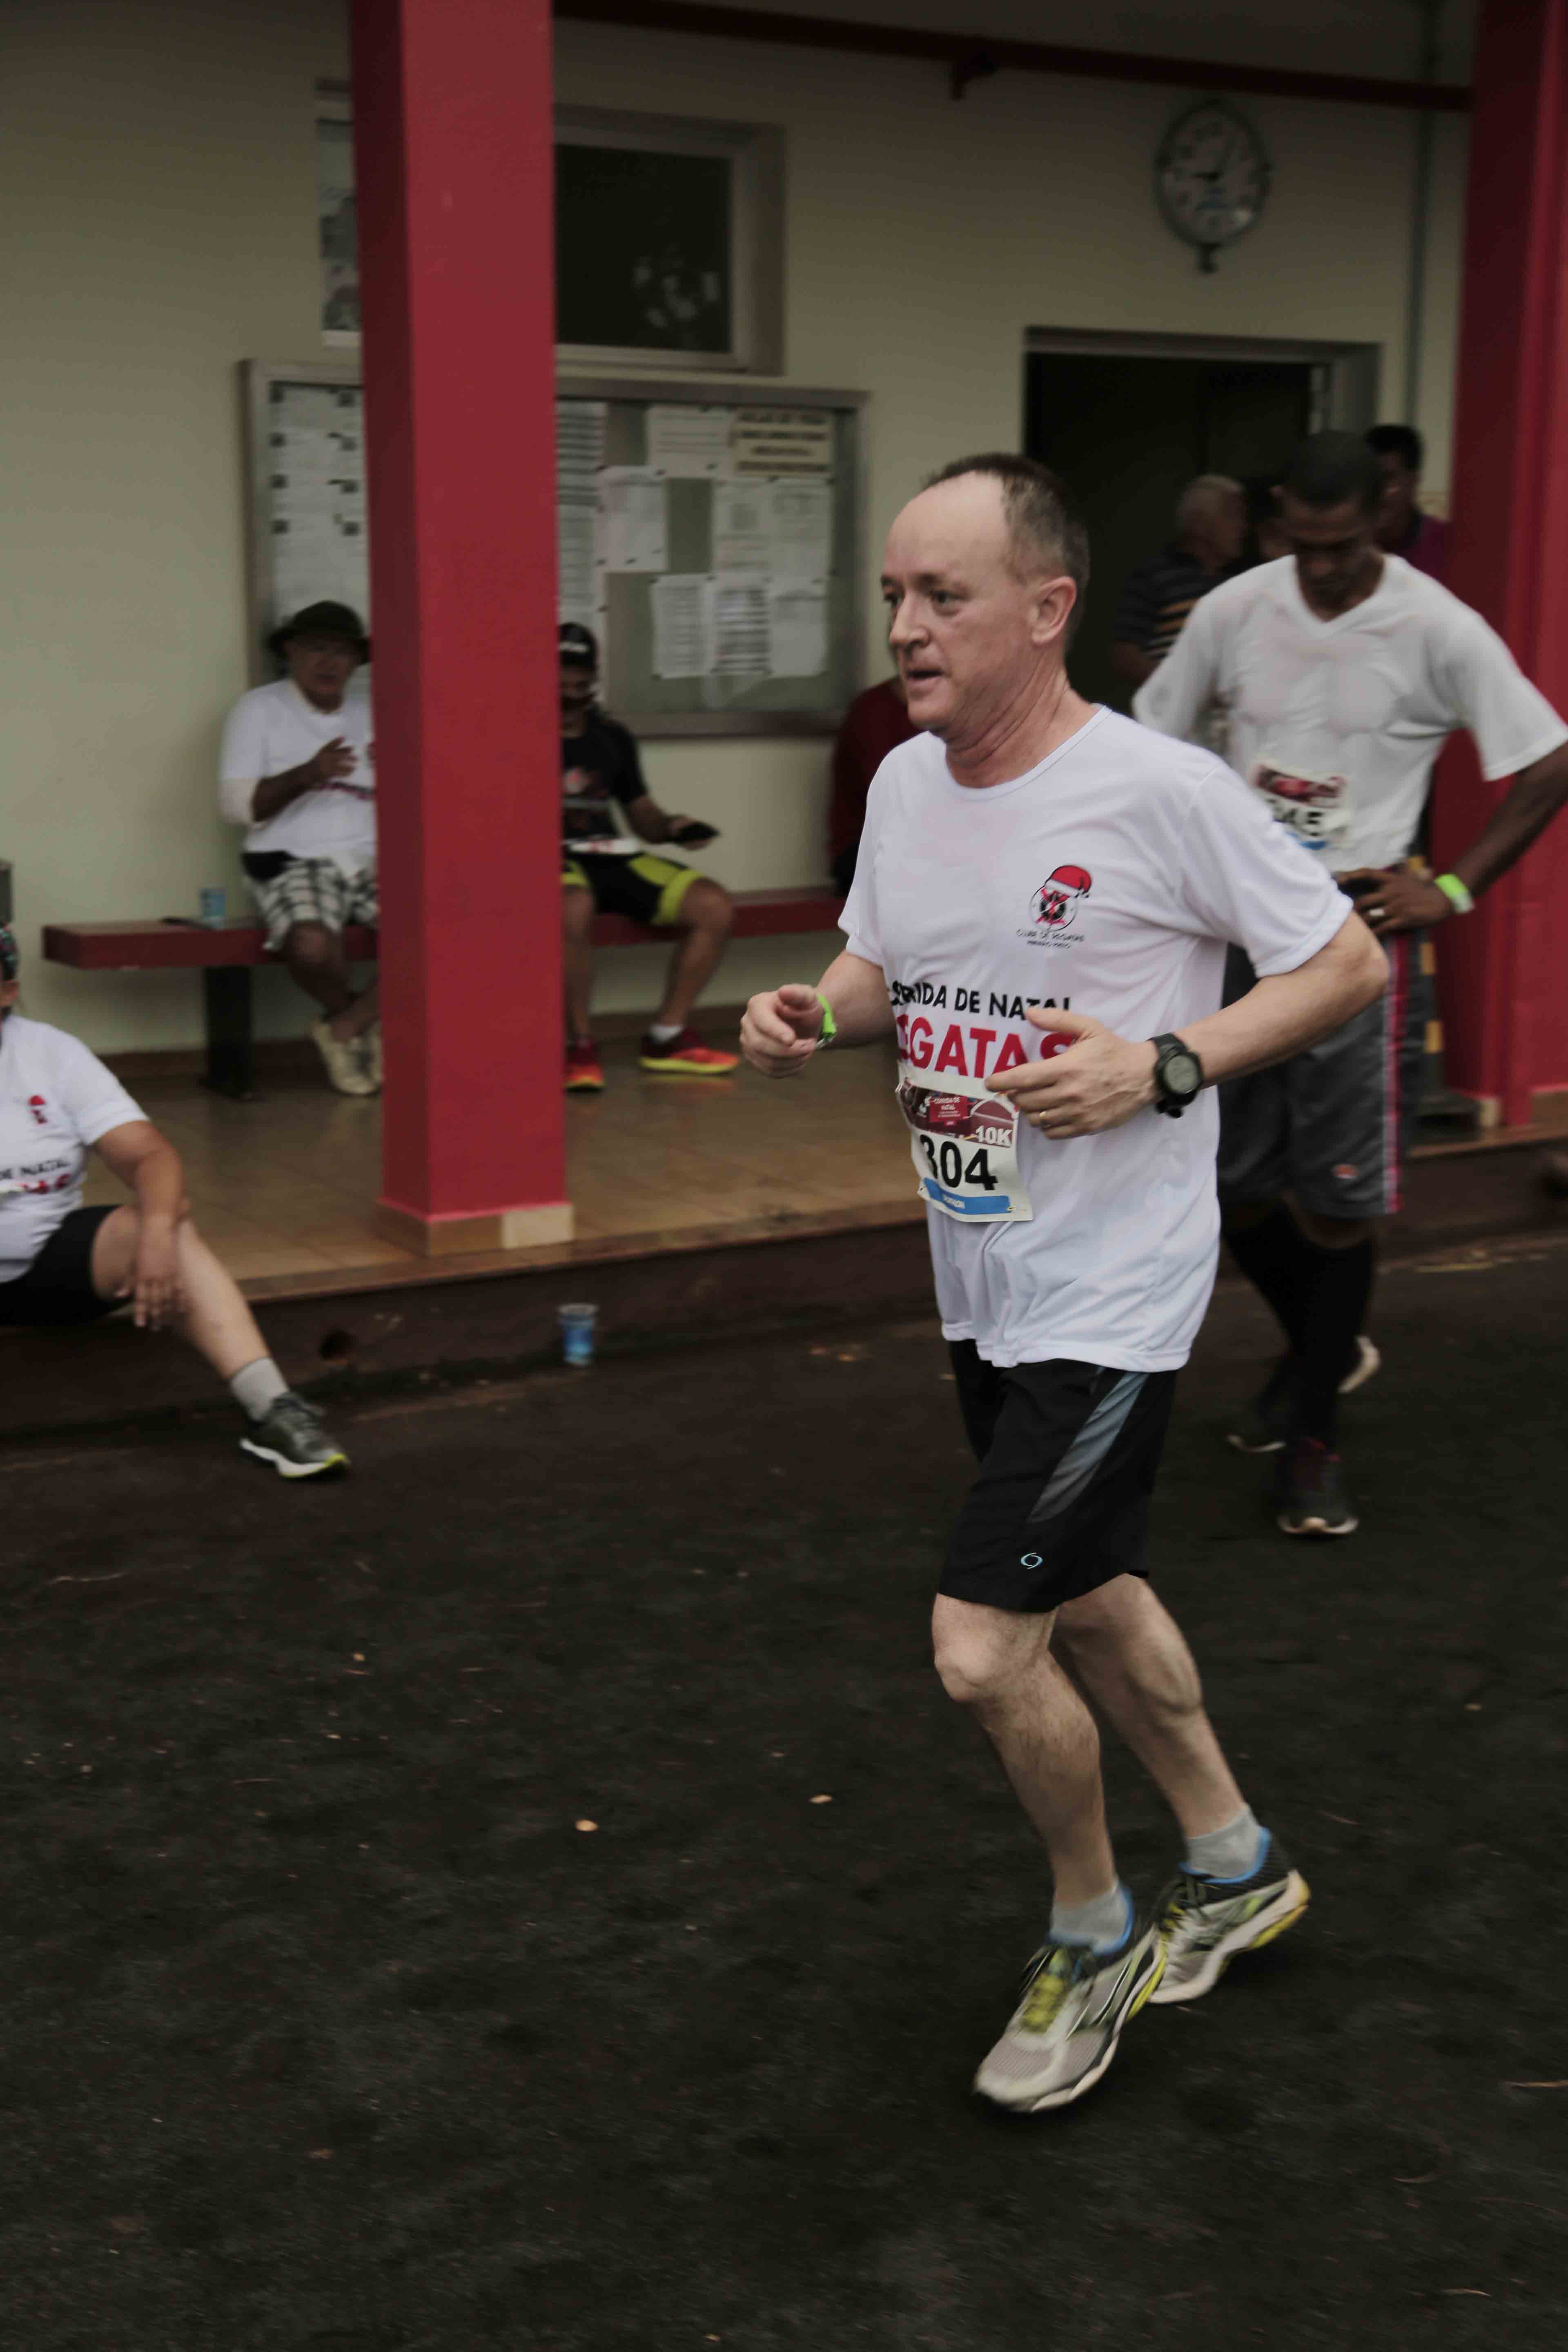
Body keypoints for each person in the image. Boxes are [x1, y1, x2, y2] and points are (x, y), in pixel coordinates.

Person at [741, 454, 1384, 2113]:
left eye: (941, 595)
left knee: (980, 1645)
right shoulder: (902, 784)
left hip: (1113, 1291)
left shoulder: (1159, 792)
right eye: (894, 594)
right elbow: (888, 961)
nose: (905, 626)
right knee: (1085, 1590)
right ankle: (1235, 1862)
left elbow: (1345, 961)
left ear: (1049, 609)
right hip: (985, 1276)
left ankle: (1095, 1934)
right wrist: (813, 1009)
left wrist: (1166, 1065)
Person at [1136, 431, 1568, 1536]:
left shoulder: (1437, 626)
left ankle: (1315, 1436)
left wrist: (1457, 891)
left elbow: (1548, 758)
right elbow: (1153, 740)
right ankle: (1323, 1345)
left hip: (1355, 936)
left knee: (1335, 1208)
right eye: (1302, 544)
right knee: (1224, 1186)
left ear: (1388, 511)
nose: (1320, 569)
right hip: (1236, 930)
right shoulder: (1239, 607)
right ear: (1280, 520)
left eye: (1344, 545)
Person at [0, 924, 347, 1476]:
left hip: (44, 1269)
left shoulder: (51, 1054)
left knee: (167, 1219)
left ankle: (274, 1412)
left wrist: (159, 1233)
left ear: (7, 992)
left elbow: (150, 1156)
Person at [558, 624, 739, 1090]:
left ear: (592, 682)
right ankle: (578, 1045)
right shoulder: (515, 732)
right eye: (560, 680)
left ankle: (666, 1036)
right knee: (572, 906)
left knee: (714, 907)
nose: (570, 693)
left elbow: (643, 818)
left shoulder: (612, 737)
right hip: (550, 860)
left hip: (612, 855)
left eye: (579, 683)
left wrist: (673, 828)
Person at [219, 601, 380, 1098]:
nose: (329, 662)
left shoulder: (374, 714)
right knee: (310, 945)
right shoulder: (259, 709)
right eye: (316, 649)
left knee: (445, 931)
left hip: (374, 858)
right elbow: (235, 808)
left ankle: (346, 1027)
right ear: (290, 652)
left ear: (357, 661)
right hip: (292, 857)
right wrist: (310, 773)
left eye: (341, 652)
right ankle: (370, 1022)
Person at [1109, 475, 1247, 693]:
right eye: (1232, 516)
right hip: (1168, 720)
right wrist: (1182, 687)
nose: (1242, 526)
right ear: (1200, 524)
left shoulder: (1239, 583)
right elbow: (1124, 655)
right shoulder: (1154, 576)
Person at [827, 672, 918, 896]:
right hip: (863, 852)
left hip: (920, 847)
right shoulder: (871, 711)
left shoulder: (957, 707)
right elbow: (893, 799)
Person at [1366, 423, 1451, 583]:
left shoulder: (1447, 547)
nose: (1377, 492)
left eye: (1388, 479)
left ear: (1413, 482)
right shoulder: (1348, 547)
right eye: (1369, 479)